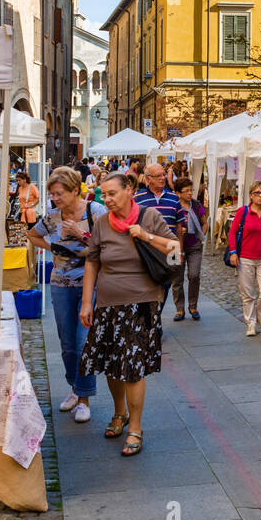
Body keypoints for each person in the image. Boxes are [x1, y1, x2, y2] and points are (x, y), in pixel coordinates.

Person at [79, 172, 178, 456]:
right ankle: (119, 413)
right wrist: (88, 303)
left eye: (112, 193)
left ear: (130, 191)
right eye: (104, 194)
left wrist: (146, 236)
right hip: (108, 304)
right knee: (112, 364)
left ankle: (135, 426)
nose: (107, 199)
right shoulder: (100, 223)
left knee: (133, 368)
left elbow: (175, 251)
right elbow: (92, 264)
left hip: (142, 303)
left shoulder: (149, 217)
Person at [29, 167, 106, 424]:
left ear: (76, 190)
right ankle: (74, 387)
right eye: (52, 194)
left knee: (84, 342)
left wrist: (78, 234)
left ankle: (84, 399)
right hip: (60, 284)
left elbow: (107, 243)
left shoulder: (95, 212)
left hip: (91, 283)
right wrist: (53, 246)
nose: (55, 198)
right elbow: (32, 235)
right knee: (66, 344)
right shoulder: (52, 216)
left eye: (59, 194)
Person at [226, 182, 261, 337]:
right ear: (251, 195)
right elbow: (232, 232)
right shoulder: (243, 212)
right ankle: (251, 323)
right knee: (248, 293)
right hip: (245, 258)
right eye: (257, 193)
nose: (260, 195)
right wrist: (233, 252)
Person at [170, 177, 206, 322]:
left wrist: (201, 235)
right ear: (178, 193)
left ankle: (193, 306)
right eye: (186, 191)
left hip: (194, 246)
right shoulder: (173, 206)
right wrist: (178, 231)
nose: (190, 193)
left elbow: (204, 223)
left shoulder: (196, 205)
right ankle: (179, 309)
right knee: (176, 279)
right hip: (173, 246)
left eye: (191, 190)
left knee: (194, 275)